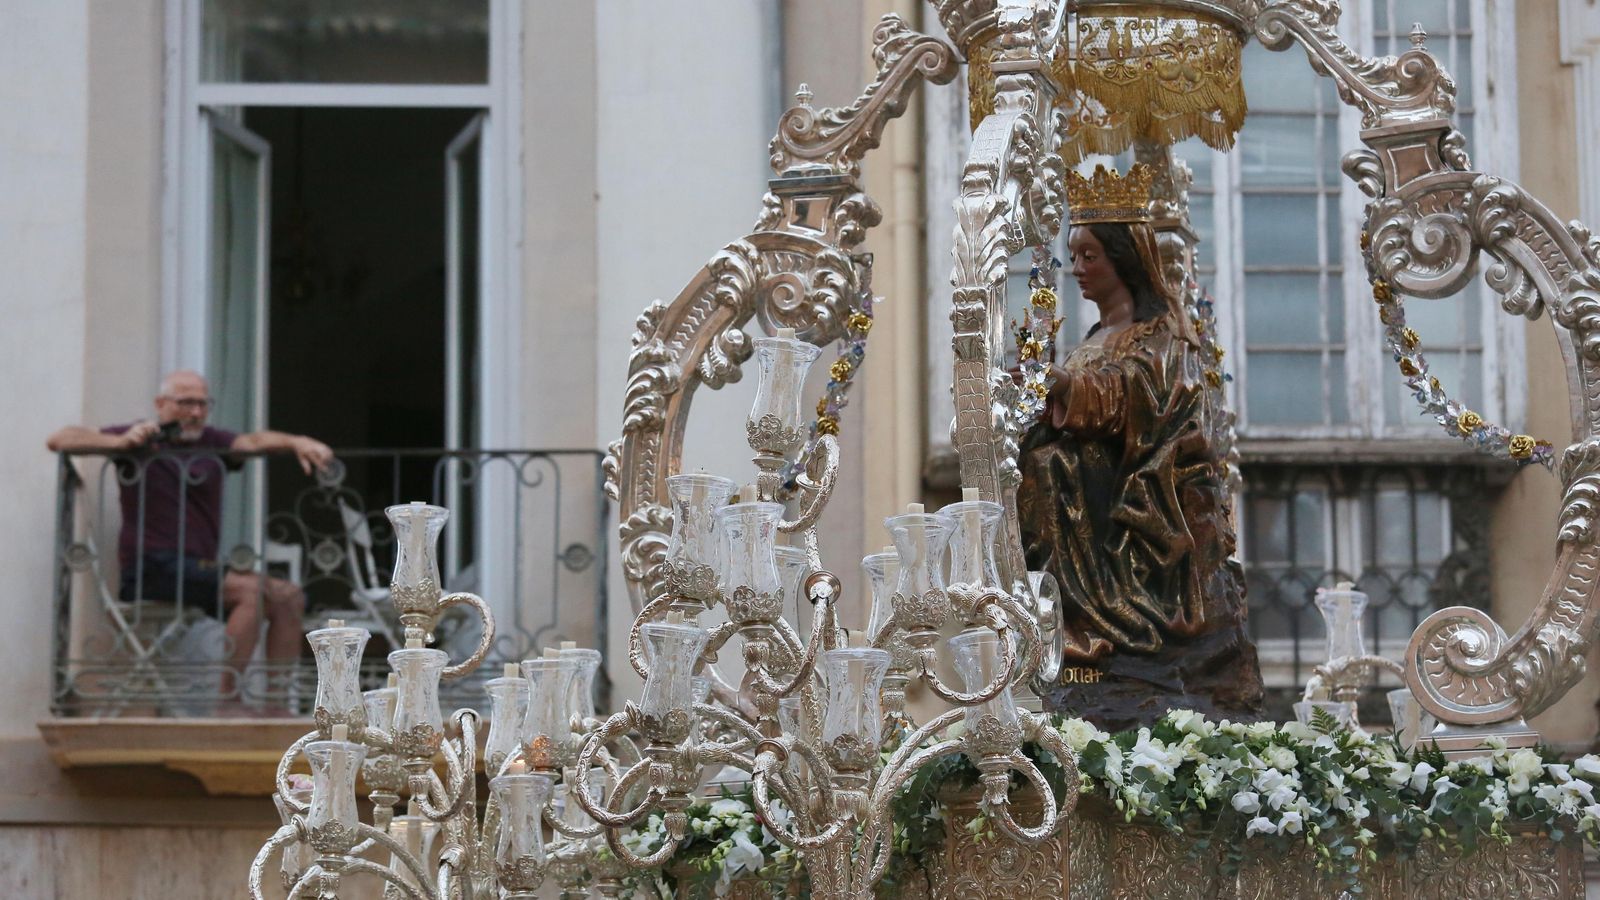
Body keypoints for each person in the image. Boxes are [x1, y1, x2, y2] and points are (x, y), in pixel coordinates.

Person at [1017, 164, 1262, 731]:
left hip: (1141, 490)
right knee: (1042, 463)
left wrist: (1064, 387)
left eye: (1090, 256)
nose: (1078, 268)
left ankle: (1107, 630)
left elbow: (1144, 399)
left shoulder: (1163, 336)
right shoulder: (1092, 338)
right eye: (1073, 256)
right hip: (1089, 494)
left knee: (1055, 466)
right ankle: (1073, 632)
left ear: (1124, 259)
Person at [47, 370, 334, 706]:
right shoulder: (141, 438)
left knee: (289, 597)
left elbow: (253, 442)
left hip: (201, 569)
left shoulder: (211, 441)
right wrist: (119, 443)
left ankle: (274, 706)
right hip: (151, 568)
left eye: (202, 403)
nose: (196, 412)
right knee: (251, 591)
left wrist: (296, 441)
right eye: (186, 403)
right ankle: (228, 704)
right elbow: (60, 440)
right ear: (161, 404)